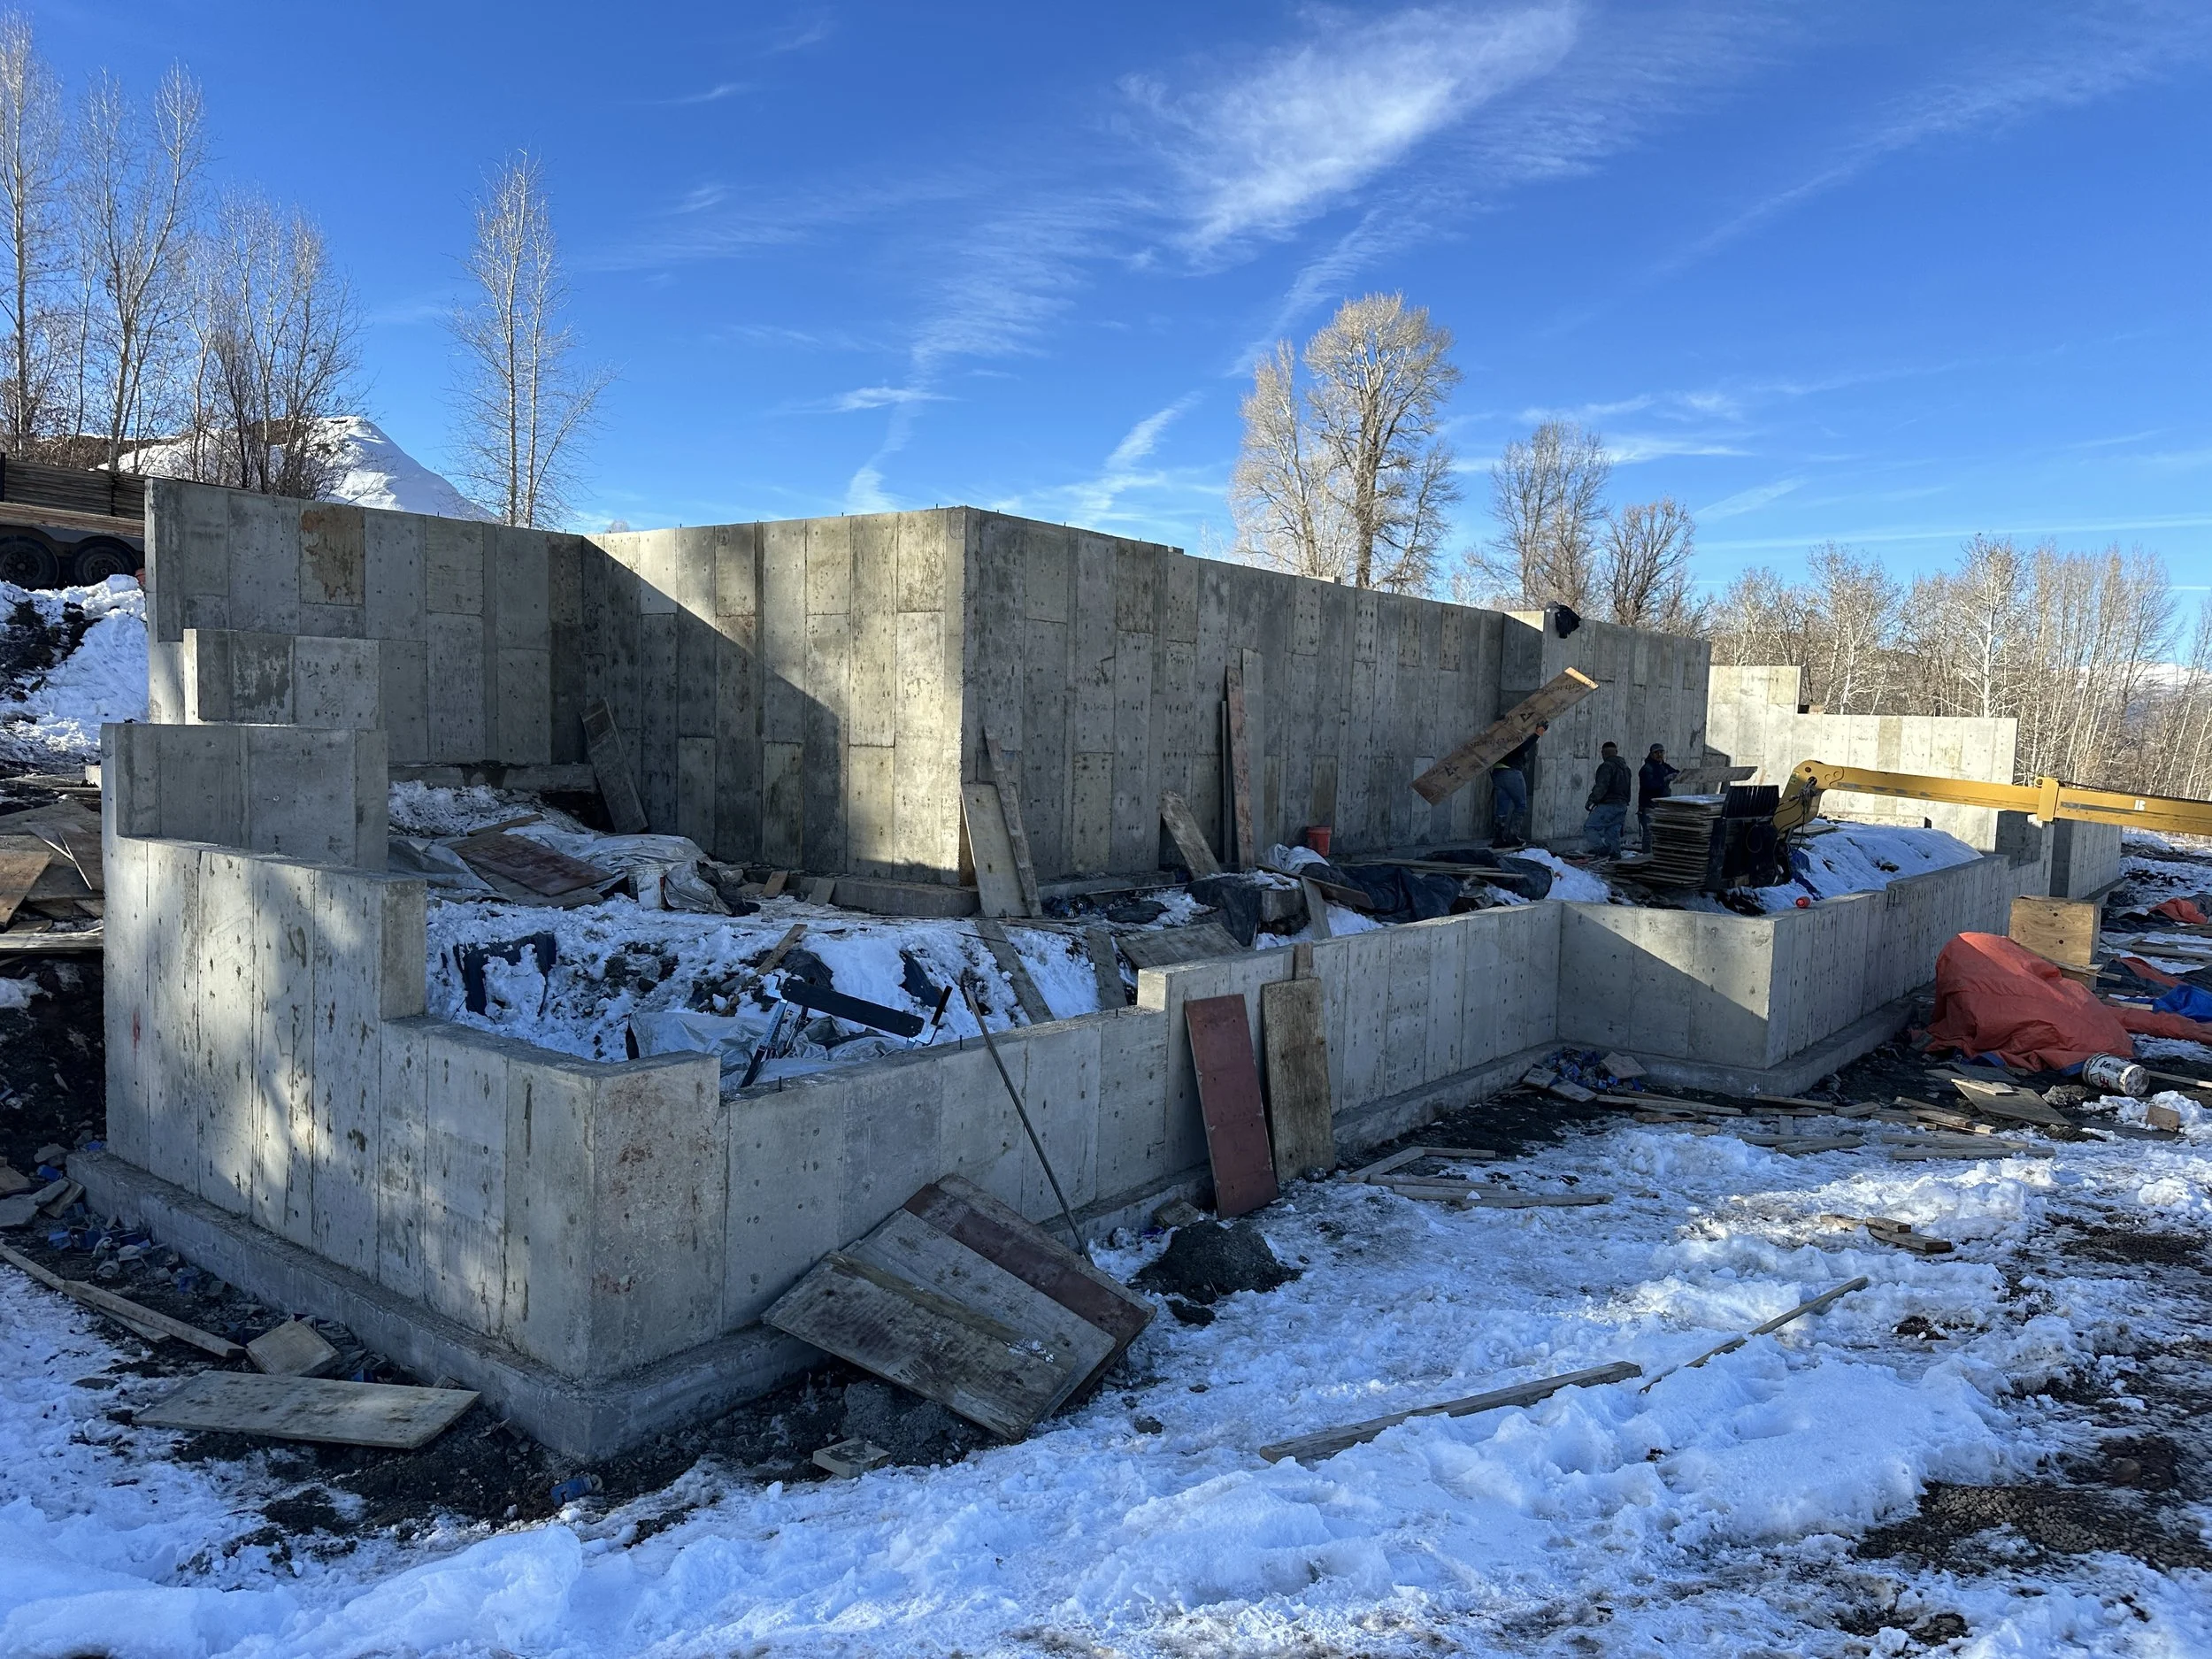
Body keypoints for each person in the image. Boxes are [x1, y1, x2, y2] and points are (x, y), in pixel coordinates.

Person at [1490, 720, 1545, 849]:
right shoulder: (1513, 736)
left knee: (1502, 806)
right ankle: (1513, 835)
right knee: (1521, 805)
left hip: (1498, 772)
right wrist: (1537, 734)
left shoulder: (1498, 737)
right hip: (1511, 771)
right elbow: (1522, 747)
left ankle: (1498, 838)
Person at [1583, 741, 1632, 857]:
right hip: (1622, 805)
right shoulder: (1626, 768)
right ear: (1616, 752)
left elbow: (1602, 786)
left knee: (1589, 827)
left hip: (1609, 804)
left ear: (1603, 753)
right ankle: (1615, 855)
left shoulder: (1606, 766)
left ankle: (1602, 850)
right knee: (1612, 832)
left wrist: (1592, 800)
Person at [1637, 742, 1679, 853]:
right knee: (1649, 834)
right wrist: (1665, 779)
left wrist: (1678, 775)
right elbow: (1649, 785)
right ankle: (1646, 857)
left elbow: (1676, 772)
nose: (1659, 755)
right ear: (1651, 754)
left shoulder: (1663, 766)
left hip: (1661, 806)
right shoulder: (1647, 768)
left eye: (1661, 752)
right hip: (1649, 806)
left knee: (1660, 833)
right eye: (1656, 752)